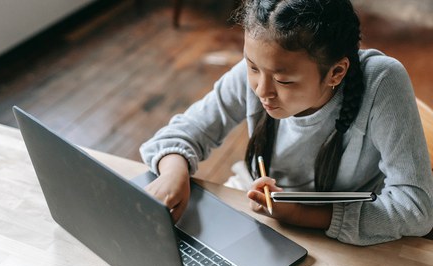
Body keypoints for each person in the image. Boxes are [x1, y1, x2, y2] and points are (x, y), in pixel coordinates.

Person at [139, 0, 433, 246]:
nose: (261, 91)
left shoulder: (381, 82)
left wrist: (299, 214)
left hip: (351, 231)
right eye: (252, 67)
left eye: (283, 80)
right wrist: (172, 172)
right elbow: (184, 131)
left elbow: (416, 208)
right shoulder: (262, 64)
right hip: (266, 215)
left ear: (336, 72)